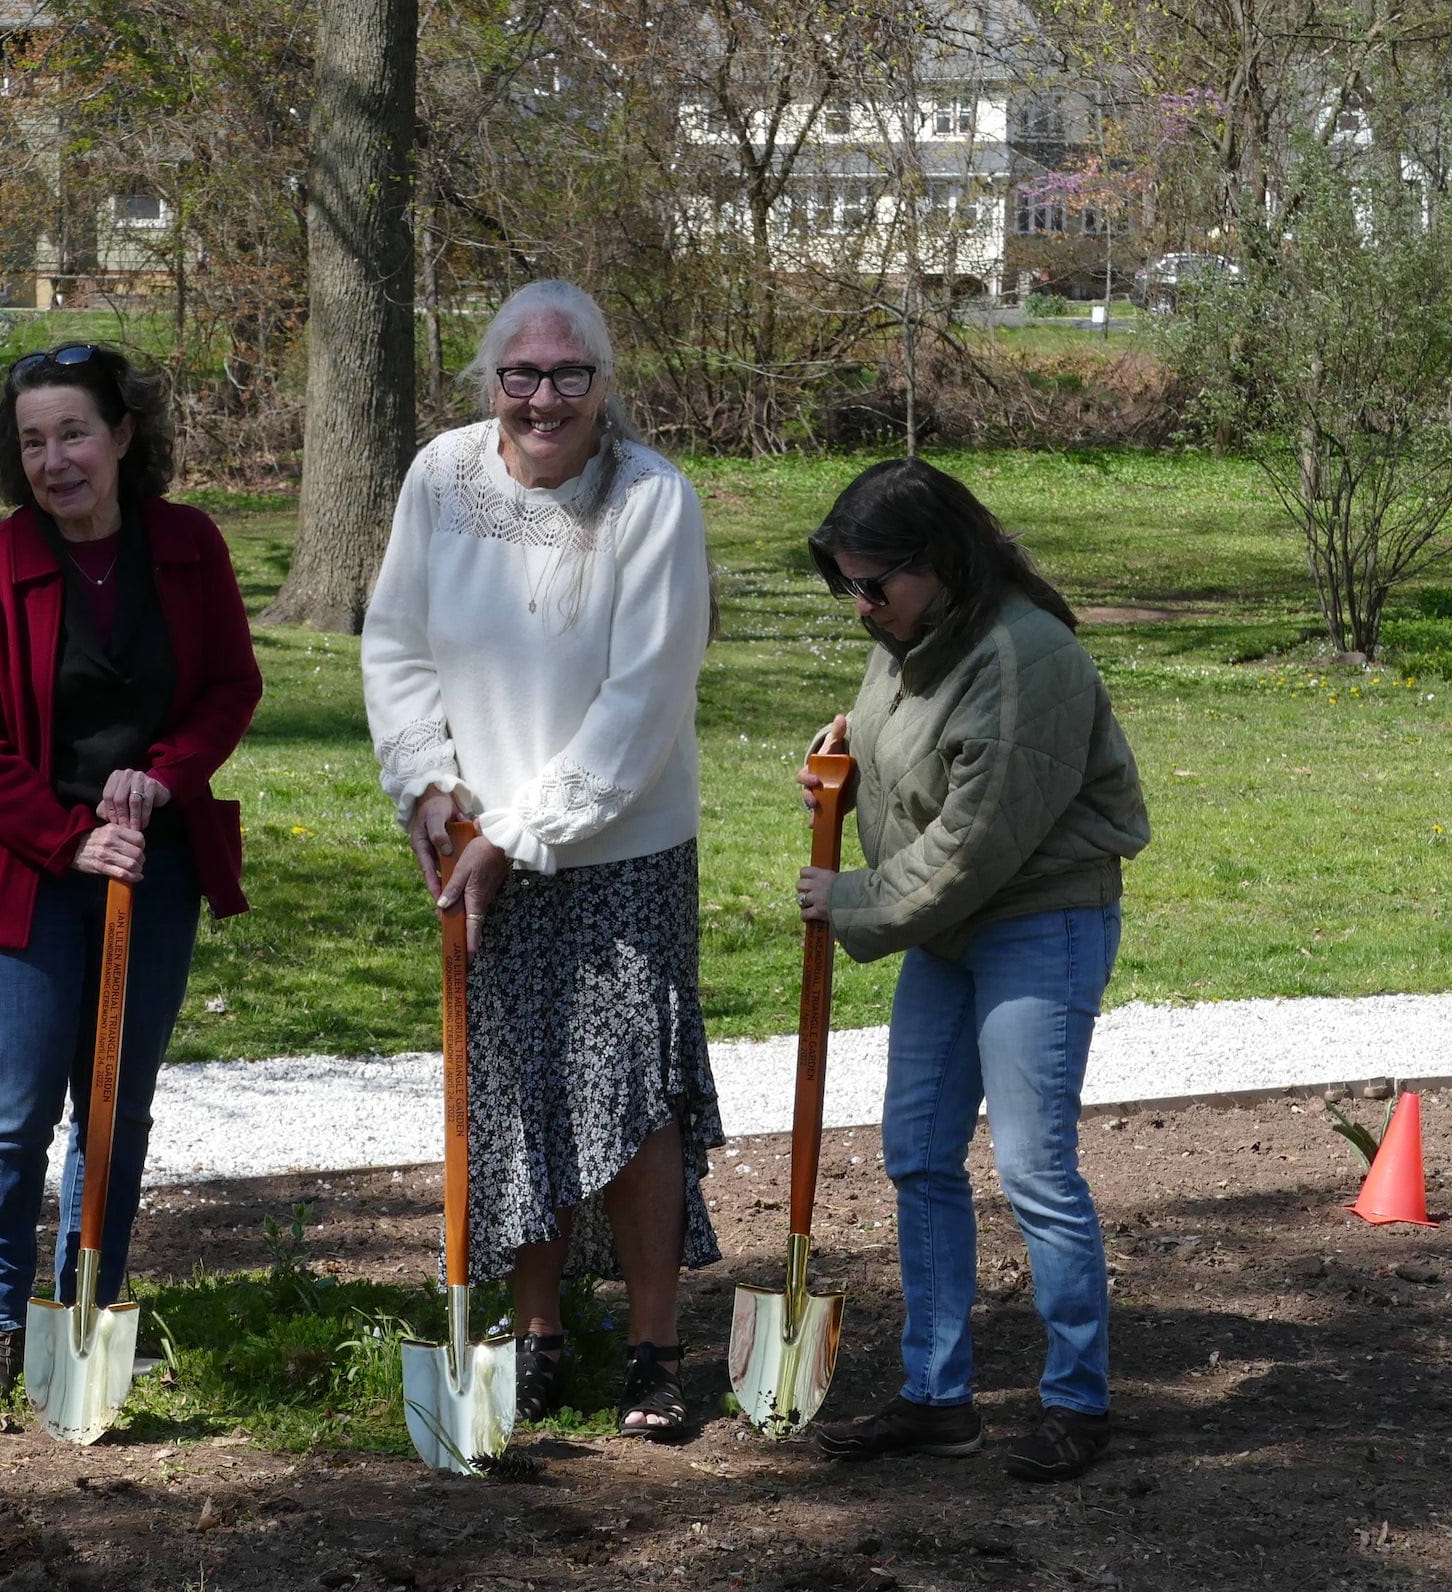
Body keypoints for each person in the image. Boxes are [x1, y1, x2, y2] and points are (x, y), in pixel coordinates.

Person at [361, 279, 720, 1439]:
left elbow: (643, 697)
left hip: (619, 845)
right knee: (510, 1085)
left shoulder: (652, 499)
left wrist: (524, 831)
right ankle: (541, 1334)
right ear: (491, 381)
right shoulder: (440, 476)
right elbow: (397, 641)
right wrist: (428, 785)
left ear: (604, 383)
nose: (543, 397)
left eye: (570, 375)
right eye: (521, 374)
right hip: (476, 839)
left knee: (633, 1097)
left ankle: (655, 1355)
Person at [793, 456, 1149, 1483]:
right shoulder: (909, 636)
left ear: (940, 561)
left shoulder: (1024, 658)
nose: (861, 606)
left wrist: (852, 900)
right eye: (846, 584)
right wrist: (850, 746)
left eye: (876, 584)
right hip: (950, 935)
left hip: (1037, 920)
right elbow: (917, 731)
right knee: (915, 1155)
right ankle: (937, 1397)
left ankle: (1077, 1401)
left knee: (1035, 1169)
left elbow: (973, 841)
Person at [0, 343, 262, 1407]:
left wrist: (162, 782)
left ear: (124, 435)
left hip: (151, 870)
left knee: (116, 1103)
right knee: (14, 1106)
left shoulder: (188, 546)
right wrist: (69, 835)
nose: (54, 460)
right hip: (23, 871)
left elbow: (226, 687)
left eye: (73, 433)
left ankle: (88, 1299)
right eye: (32, 441)